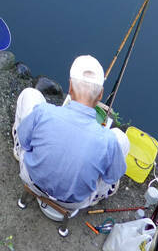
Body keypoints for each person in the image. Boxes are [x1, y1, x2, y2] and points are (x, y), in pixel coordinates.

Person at [12, 55, 130, 210]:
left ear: (70, 88)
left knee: (29, 94)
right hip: (73, 202)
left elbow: (25, 140)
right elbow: (113, 176)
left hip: (31, 179)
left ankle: (17, 151)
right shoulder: (108, 141)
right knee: (122, 139)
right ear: (100, 95)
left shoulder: (43, 113)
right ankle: (99, 195)